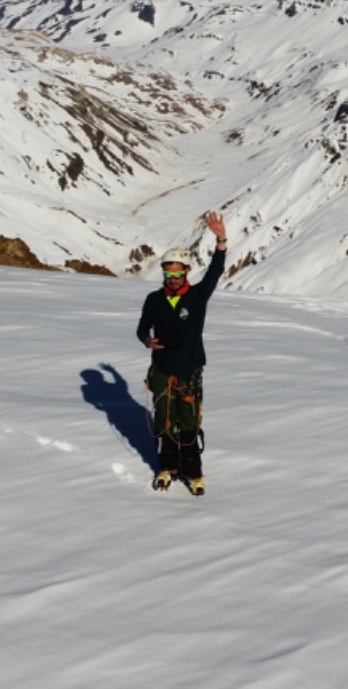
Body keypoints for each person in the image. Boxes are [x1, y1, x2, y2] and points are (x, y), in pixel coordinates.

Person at [135, 212, 228, 495]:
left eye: (177, 273)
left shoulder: (197, 297)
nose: (173, 278)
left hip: (189, 370)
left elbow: (215, 271)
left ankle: (193, 472)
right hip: (162, 370)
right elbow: (141, 328)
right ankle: (166, 467)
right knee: (164, 422)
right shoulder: (154, 300)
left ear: (186, 272)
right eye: (168, 273)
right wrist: (146, 341)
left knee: (188, 423)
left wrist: (221, 240)